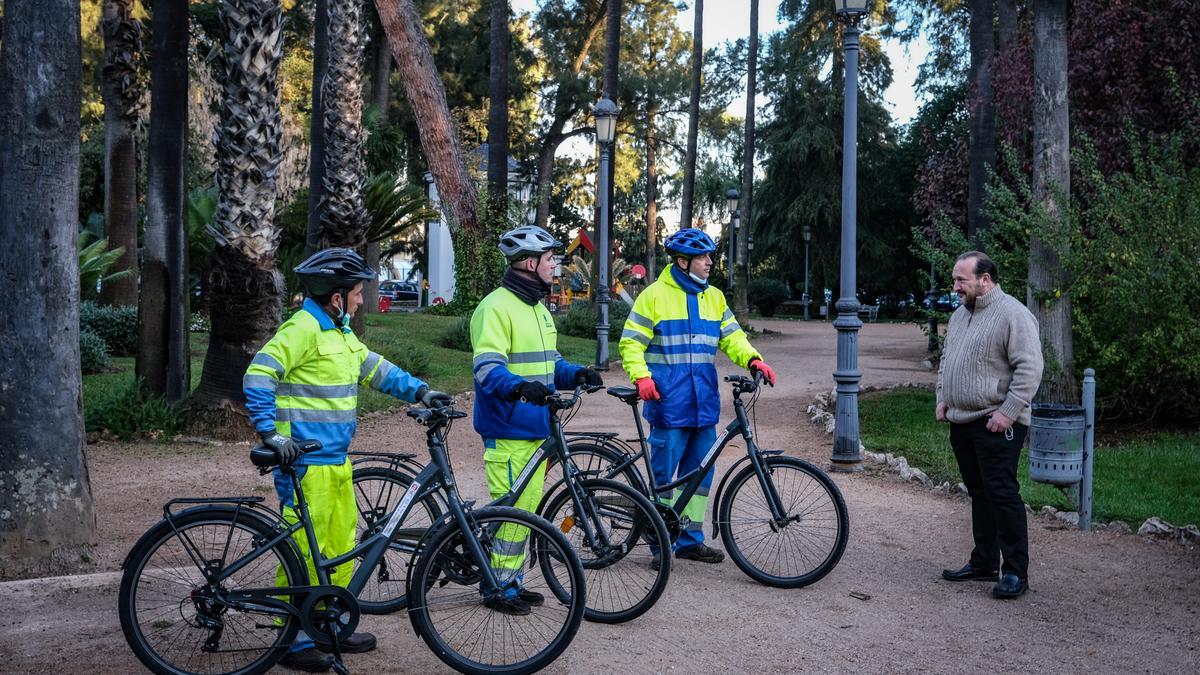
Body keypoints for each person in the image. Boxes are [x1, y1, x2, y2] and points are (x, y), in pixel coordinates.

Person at [243, 248, 450, 672]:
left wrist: (422, 391)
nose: (360, 300)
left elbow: (376, 369)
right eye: (356, 293)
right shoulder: (302, 328)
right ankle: (294, 641)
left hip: (334, 461)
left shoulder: (339, 333)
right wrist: (271, 433)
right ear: (336, 297)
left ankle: (328, 624)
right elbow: (258, 374)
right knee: (304, 548)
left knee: (339, 546)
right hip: (303, 463)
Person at [618, 228, 776, 566]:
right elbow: (631, 342)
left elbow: (733, 337)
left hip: (703, 403)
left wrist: (753, 358)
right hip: (667, 401)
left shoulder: (714, 298)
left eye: (709, 256)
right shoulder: (654, 296)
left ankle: (689, 540)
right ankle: (661, 544)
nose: (709, 263)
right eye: (703, 258)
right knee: (665, 477)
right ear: (682, 261)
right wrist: (641, 376)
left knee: (700, 476)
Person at [470, 225, 604, 615]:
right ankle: (497, 587)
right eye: (550, 260)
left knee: (525, 512)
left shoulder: (539, 310)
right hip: (508, 427)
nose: (555, 266)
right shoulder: (494, 308)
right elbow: (487, 369)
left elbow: (551, 364)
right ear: (530, 263)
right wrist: (518, 387)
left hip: (536, 428)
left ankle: (512, 581)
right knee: (510, 514)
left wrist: (576, 372)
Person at [937, 251, 1043, 600]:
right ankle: (984, 562)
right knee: (979, 493)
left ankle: (1015, 572)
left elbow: (1030, 368)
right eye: (955, 280)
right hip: (962, 421)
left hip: (996, 423)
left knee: (1002, 494)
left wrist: (1008, 412)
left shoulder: (1013, 314)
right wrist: (943, 397)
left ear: (985, 280)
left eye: (961, 280)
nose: (955, 287)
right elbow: (947, 360)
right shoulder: (958, 316)